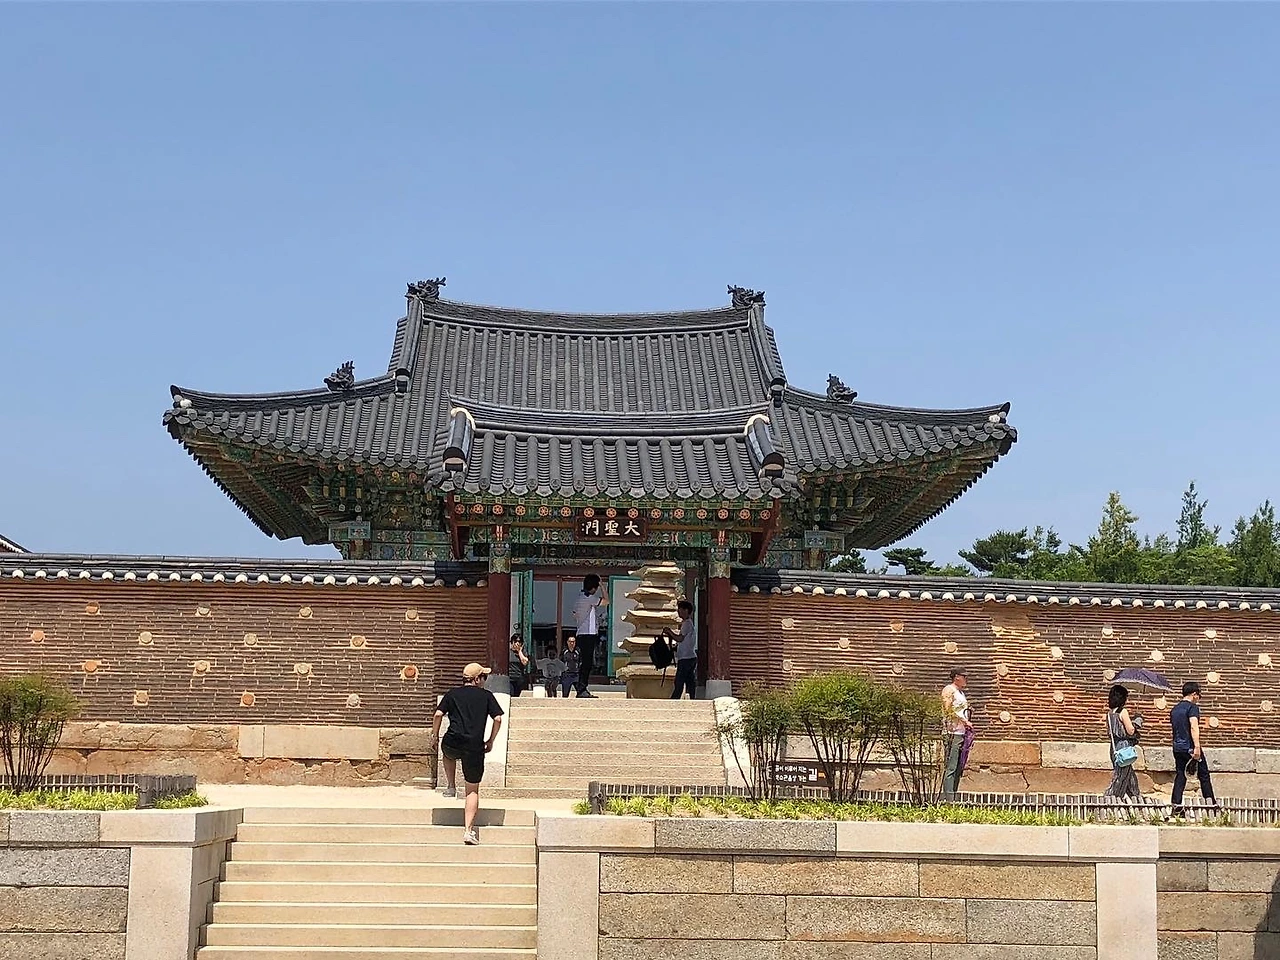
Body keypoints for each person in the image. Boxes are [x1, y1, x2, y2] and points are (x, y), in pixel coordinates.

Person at [432, 663, 504, 845]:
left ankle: (450, 786)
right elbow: (498, 718)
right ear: (477, 679)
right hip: (474, 746)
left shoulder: (452, 694)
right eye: (484, 677)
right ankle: (468, 832)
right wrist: (491, 740)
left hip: (452, 741)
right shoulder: (486, 696)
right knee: (472, 790)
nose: (485, 680)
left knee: (447, 753)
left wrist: (434, 735)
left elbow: (438, 714)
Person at [1171, 681, 1217, 815]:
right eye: (1198, 696)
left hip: (1177, 747)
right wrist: (1197, 747)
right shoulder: (1192, 708)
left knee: (1181, 775)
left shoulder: (1175, 709)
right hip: (1190, 747)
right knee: (1203, 775)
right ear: (1194, 694)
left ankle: (1176, 805)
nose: (1198, 699)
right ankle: (1211, 804)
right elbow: (1193, 726)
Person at [1103, 684, 1143, 801]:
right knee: (1120, 775)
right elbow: (1130, 731)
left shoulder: (1109, 714)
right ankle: (1110, 797)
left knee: (1129, 775)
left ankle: (1136, 797)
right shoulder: (1123, 712)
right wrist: (1137, 721)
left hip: (1114, 747)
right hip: (1124, 746)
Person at [571, 574, 606, 698]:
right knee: (587, 663)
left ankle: (580, 685)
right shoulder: (589, 598)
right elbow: (606, 601)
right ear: (594, 588)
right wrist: (602, 586)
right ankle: (581, 688)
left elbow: (574, 615)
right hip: (588, 634)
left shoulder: (579, 598)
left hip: (581, 633)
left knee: (584, 662)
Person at [941, 669, 972, 799]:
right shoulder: (949, 690)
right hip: (952, 732)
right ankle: (948, 798)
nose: (966, 679)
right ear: (957, 677)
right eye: (964, 677)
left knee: (959, 766)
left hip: (961, 732)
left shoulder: (961, 693)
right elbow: (948, 710)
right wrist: (964, 721)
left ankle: (953, 794)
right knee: (951, 766)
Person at [662, 600, 698, 700]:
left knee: (679, 681)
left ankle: (675, 699)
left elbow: (680, 638)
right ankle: (692, 698)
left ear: (686, 610)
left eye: (680, 610)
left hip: (686, 658)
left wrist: (669, 632)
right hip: (690, 656)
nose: (678, 612)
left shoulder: (686, 624)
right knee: (690, 680)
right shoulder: (688, 624)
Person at [508, 634, 530, 700]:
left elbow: (525, 662)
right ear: (512, 642)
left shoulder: (523, 653)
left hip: (519, 678)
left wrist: (519, 651)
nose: (517, 643)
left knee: (517, 696)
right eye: (515, 641)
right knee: (511, 693)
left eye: (519, 641)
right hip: (510, 678)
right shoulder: (509, 652)